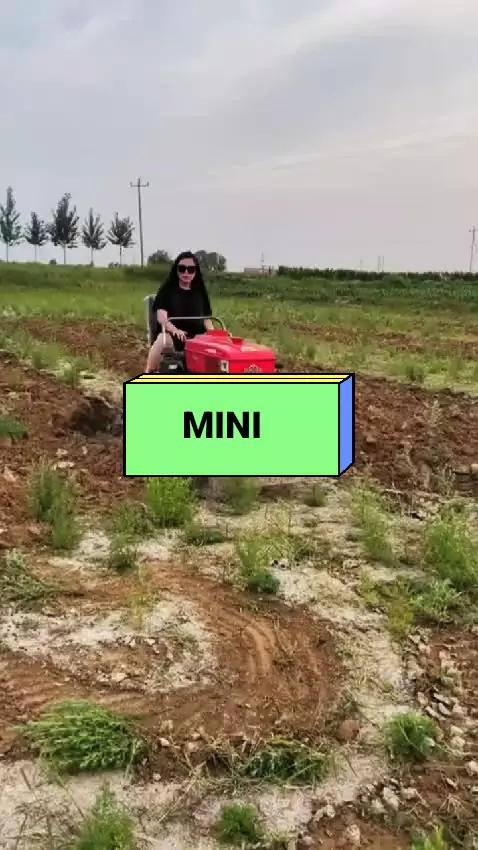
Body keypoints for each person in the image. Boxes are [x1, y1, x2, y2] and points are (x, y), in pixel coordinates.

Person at [145, 251, 214, 373]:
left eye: (191, 269)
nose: (186, 273)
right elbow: (162, 318)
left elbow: (206, 319)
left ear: (196, 271)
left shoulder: (200, 292)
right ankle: (149, 372)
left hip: (197, 338)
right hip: (173, 336)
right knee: (163, 340)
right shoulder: (167, 290)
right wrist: (175, 330)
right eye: (182, 269)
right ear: (176, 270)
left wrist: (214, 336)